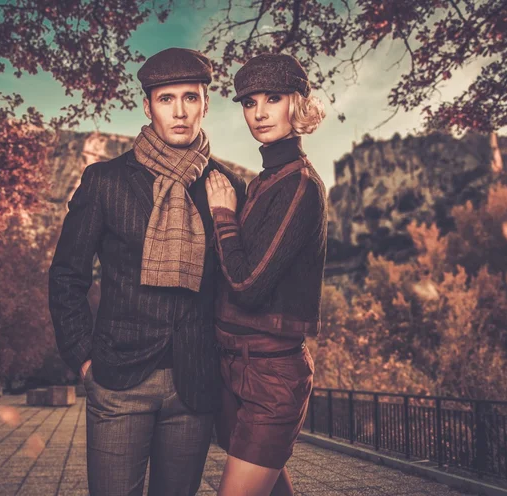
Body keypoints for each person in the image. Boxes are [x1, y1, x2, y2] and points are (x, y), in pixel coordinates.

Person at [48, 47, 246, 496]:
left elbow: (239, 285)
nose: (179, 112)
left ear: (206, 103)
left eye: (190, 98)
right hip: (118, 377)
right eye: (166, 98)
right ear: (147, 106)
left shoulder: (228, 187)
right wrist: (84, 359)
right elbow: (66, 277)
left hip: (195, 383)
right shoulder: (106, 181)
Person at [205, 53, 327, 496]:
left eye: (272, 99)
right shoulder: (264, 181)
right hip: (233, 365)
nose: (259, 112)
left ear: (296, 103)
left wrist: (223, 217)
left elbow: (248, 286)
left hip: (272, 376)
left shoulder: (299, 184)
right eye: (249, 102)